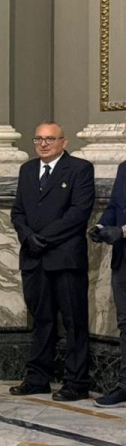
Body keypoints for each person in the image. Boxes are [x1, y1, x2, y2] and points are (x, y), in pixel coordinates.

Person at [9, 123, 95, 401]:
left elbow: (79, 213)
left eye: (50, 139)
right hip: (33, 257)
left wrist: (43, 237)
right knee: (42, 320)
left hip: (65, 257)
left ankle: (76, 382)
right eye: (39, 139)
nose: (43, 144)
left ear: (63, 142)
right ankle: (37, 378)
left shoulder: (80, 169)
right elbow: (18, 211)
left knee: (74, 321)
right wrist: (27, 237)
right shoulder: (27, 170)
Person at [91, 156, 126, 407]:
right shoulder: (124, 167)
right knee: (125, 322)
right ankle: (125, 385)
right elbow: (115, 205)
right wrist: (102, 225)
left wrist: (122, 231)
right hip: (123, 259)